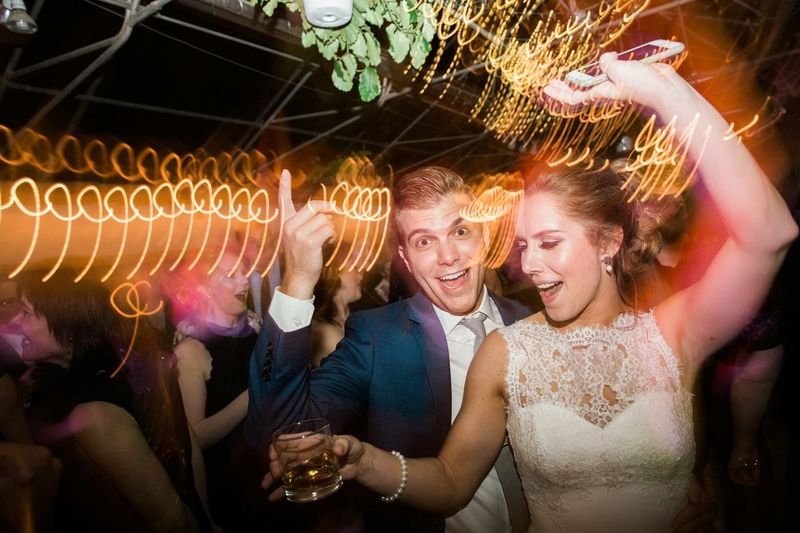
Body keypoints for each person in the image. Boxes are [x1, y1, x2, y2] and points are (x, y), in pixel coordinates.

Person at [276, 54, 797, 532]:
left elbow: (769, 233)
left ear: (608, 242)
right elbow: (453, 480)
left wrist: (661, 91)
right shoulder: (507, 350)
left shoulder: (674, 333)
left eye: (549, 243)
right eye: (524, 245)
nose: (528, 264)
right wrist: (364, 460)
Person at [248, 166, 534, 532]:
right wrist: (298, 280)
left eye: (460, 231)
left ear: (485, 235)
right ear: (406, 257)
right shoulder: (377, 338)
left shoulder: (531, 322)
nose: (448, 256)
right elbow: (279, 432)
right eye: (424, 241)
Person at [12, 271, 212, 532]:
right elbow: (189, 444)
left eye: (26, 313)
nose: (15, 321)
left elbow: (172, 520)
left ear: (69, 327)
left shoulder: (95, 412)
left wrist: (205, 523)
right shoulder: (120, 372)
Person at [169, 250, 260, 530]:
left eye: (244, 272)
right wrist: (253, 396)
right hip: (228, 484)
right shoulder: (190, 351)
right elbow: (195, 438)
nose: (245, 281)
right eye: (231, 275)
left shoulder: (255, 328)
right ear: (202, 288)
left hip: (261, 469)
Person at [310, 261, 363, 367]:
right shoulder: (324, 332)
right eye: (355, 267)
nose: (361, 276)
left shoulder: (357, 316)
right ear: (336, 272)